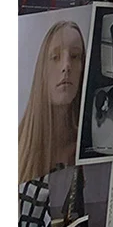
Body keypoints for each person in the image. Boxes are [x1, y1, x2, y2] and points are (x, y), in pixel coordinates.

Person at [18, 21, 85, 186]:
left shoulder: (89, 147)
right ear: (43, 69)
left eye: (75, 56)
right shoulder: (17, 146)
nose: (66, 66)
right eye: (55, 57)